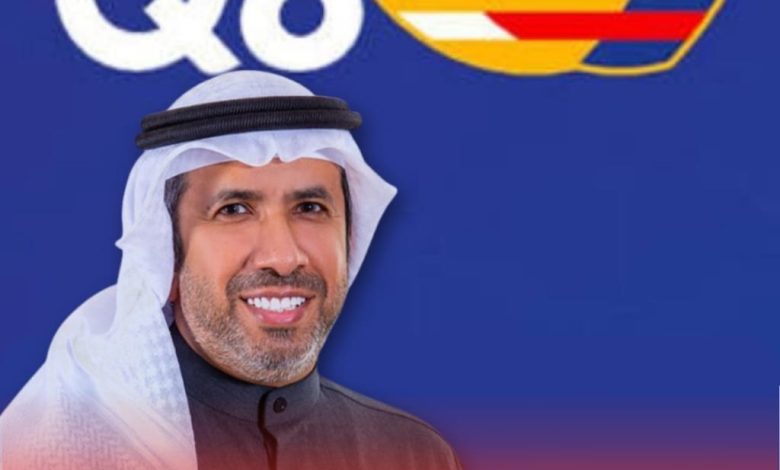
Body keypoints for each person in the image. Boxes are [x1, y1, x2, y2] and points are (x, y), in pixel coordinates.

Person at [0, 71, 461, 470]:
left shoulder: (413, 454)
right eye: (234, 209)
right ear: (166, 255)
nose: (283, 257)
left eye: (310, 207)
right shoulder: (69, 448)